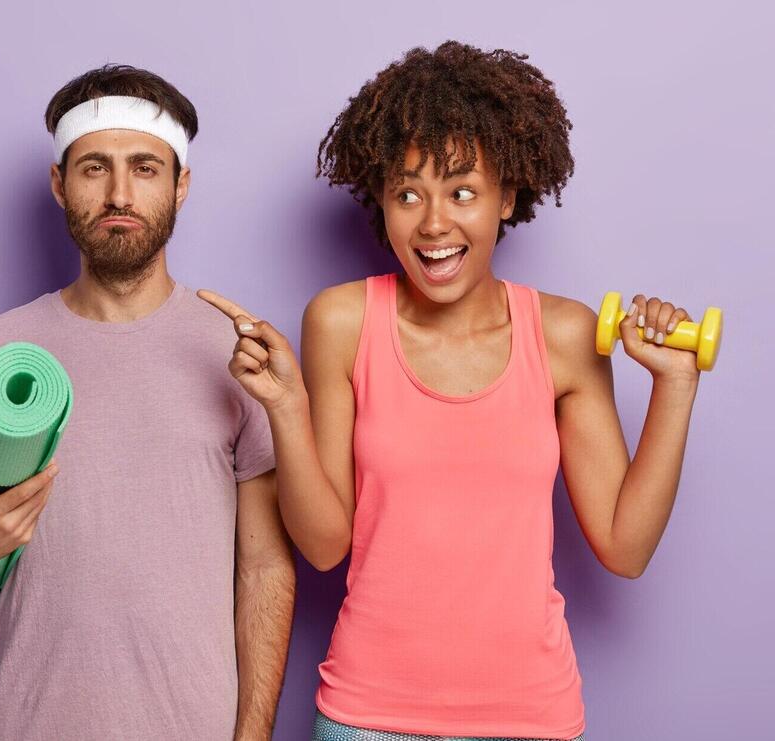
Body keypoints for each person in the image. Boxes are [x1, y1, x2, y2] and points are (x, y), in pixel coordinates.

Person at [200, 42, 705, 741]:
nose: (433, 223)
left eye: (462, 191)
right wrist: (285, 407)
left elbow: (625, 546)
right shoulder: (342, 321)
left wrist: (675, 385)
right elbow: (322, 546)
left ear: (508, 195)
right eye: (409, 193)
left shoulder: (564, 334)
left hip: (531, 719)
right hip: (367, 718)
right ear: (381, 200)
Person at [0, 64, 294, 741]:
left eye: (146, 168)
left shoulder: (235, 356)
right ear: (60, 183)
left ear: (181, 186)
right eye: (95, 167)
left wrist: (253, 735)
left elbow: (266, 565)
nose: (119, 192)